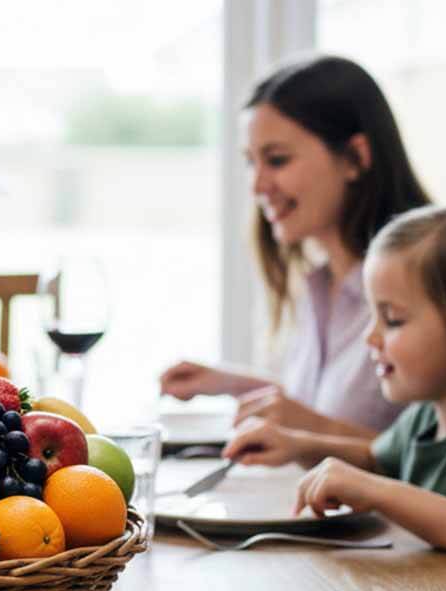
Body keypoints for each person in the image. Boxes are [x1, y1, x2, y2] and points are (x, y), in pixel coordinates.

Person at [222, 204, 446, 590]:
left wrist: (380, 493)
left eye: (393, 320)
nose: (370, 338)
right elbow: (377, 460)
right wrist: (296, 445)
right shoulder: (427, 417)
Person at [161, 55, 430, 438]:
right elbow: (327, 408)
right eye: (252, 163)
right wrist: (229, 383)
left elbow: (443, 463)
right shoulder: (321, 284)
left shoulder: (424, 289)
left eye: (277, 160)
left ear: (355, 157)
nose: (257, 187)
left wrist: (309, 428)